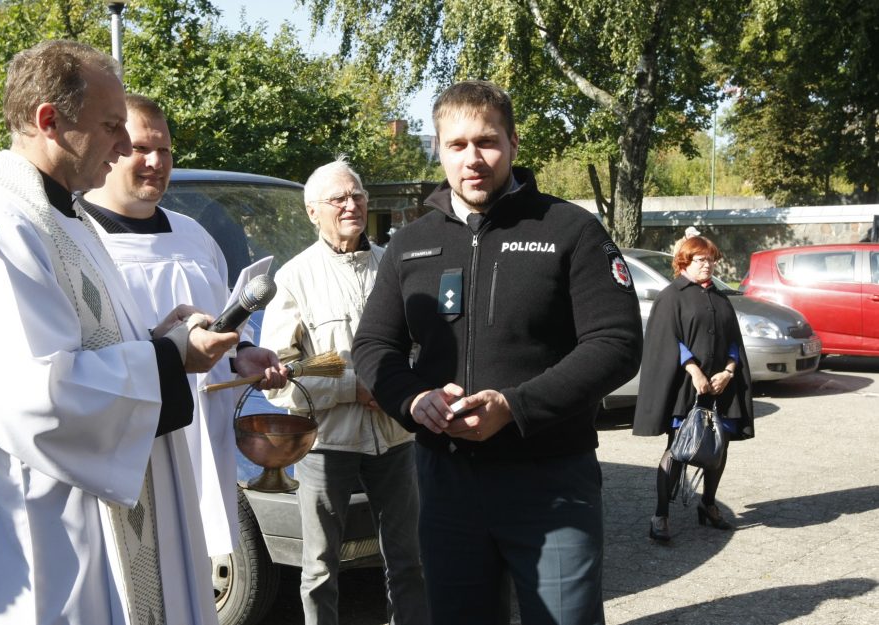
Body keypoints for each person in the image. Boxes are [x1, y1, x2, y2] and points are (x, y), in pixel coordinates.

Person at [0, 40, 244, 625]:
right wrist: (169, 359)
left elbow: (89, 346)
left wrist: (158, 338)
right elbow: (38, 396)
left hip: (91, 509)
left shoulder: (66, 220)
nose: (125, 146)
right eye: (111, 127)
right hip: (43, 531)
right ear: (48, 122)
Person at [351, 80, 644, 625]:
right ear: (438, 149)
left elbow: (618, 344)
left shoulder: (570, 230)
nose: (472, 158)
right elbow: (373, 344)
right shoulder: (410, 243)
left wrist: (514, 407)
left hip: (550, 480)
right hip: (445, 483)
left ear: (512, 142)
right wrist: (413, 402)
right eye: (456, 145)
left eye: (486, 141)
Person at [79, 94, 287, 558]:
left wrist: (240, 357)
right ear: (112, 147)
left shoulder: (193, 235)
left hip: (202, 444)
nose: (156, 162)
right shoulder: (78, 239)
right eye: (140, 149)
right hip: (129, 445)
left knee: (193, 572)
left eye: (165, 150)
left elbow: (226, 320)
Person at [258, 158, 428, 625]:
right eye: (338, 198)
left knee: (408, 559)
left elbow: (421, 346)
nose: (351, 204)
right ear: (313, 212)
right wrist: (355, 388)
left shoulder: (394, 265)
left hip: (396, 438)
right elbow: (279, 376)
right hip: (328, 444)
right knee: (319, 567)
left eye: (357, 195)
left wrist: (402, 385)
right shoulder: (294, 277)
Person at [632, 236, 754, 543]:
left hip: (720, 386)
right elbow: (667, 339)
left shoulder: (720, 297)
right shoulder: (671, 296)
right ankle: (660, 515)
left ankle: (708, 505)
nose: (709, 265)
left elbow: (733, 341)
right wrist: (693, 369)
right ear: (684, 262)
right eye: (701, 260)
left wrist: (729, 370)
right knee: (678, 448)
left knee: (718, 446)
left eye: (712, 260)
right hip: (686, 386)